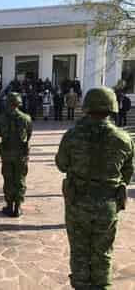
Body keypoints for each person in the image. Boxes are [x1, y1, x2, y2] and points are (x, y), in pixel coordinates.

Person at [56, 86, 134, 290]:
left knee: (80, 252)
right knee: (103, 252)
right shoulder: (124, 139)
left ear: (87, 107)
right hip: (107, 205)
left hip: (78, 203)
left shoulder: (72, 136)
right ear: (112, 108)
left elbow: (61, 164)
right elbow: (128, 172)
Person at [0, 93, 32, 217]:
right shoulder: (26, 118)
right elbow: (29, 134)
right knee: (20, 179)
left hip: (7, 153)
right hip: (21, 154)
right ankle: (17, 207)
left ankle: (9, 205)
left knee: (8, 179)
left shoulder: (2, 118)